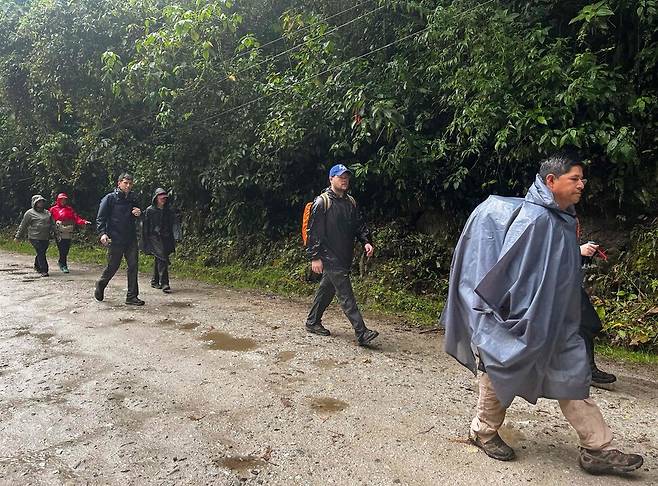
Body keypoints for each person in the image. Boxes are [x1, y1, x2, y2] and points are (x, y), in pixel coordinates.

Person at [441, 154, 643, 475]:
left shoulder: (561, 218)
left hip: (556, 321)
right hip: (519, 320)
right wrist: (509, 324)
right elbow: (506, 275)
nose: (581, 185)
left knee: (573, 376)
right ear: (551, 181)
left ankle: (597, 448)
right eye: (574, 179)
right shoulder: (533, 220)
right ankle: (483, 431)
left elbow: (553, 266)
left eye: (582, 179)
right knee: (498, 372)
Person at [304, 163, 379, 346]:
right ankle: (361, 332)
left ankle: (312, 322)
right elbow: (314, 232)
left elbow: (359, 225)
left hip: (344, 255)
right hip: (329, 256)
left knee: (326, 290)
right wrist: (315, 257)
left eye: (347, 177)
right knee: (346, 296)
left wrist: (367, 241)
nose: (344, 180)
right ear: (331, 179)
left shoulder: (350, 202)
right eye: (340, 177)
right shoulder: (322, 202)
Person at [94, 173, 144, 306]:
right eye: (125, 183)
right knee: (113, 266)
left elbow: (138, 214)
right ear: (119, 183)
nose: (128, 186)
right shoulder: (109, 199)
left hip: (130, 238)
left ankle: (132, 296)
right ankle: (101, 283)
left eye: (130, 183)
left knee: (133, 266)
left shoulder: (133, 198)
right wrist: (102, 234)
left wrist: (139, 214)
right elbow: (101, 218)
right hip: (115, 238)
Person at [579, 242, 617, 386]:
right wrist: (577, 251)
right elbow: (543, 251)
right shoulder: (545, 219)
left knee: (586, 322)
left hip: (564, 282)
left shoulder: (567, 219)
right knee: (587, 322)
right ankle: (587, 370)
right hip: (549, 283)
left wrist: (583, 252)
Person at [143, 188, 177, 293]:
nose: (163, 199)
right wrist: (145, 239)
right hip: (154, 238)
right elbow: (145, 226)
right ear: (156, 198)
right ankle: (165, 283)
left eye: (164, 198)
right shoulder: (150, 210)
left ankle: (154, 281)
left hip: (165, 237)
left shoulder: (168, 210)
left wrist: (175, 236)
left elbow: (173, 224)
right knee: (162, 258)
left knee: (159, 258)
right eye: (161, 197)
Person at [48, 193, 91, 273]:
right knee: (61, 248)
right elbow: (49, 220)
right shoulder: (53, 209)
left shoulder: (69, 209)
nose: (63, 201)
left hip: (68, 231)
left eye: (64, 199)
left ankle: (61, 261)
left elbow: (76, 218)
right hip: (58, 232)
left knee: (66, 248)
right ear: (58, 200)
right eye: (61, 199)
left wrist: (83, 222)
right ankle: (63, 264)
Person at [14, 194, 55, 277]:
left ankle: (37, 265)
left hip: (45, 237)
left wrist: (56, 233)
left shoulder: (47, 213)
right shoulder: (29, 213)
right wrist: (18, 236)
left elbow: (52, 224)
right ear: (35, 203)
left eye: (42, 201)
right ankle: (44, 270)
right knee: (40, 252)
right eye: (39, 202)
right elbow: (23, 225)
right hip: (34, 237)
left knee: (42, 252)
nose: (41, 203)